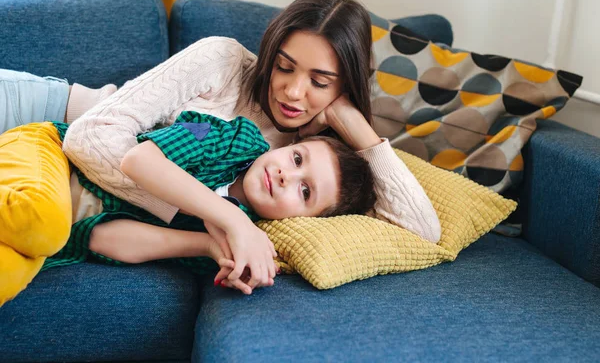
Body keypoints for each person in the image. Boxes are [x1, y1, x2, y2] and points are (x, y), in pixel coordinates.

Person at [0, 0, 441, 296]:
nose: (291, 92)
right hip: (41, 111)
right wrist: (224, 219)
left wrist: (354, 123)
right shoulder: (226, 71)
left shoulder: (316, 160)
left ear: (343, 87)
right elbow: (91, 139)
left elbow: (422, 231)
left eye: (320, 81)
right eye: (285, 67)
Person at [0, 111, 376, 303]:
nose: (285, 176)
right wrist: (229, 219)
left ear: (306, 222)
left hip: (54, 232)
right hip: (47, 154)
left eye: (305, 191)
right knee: (43, 221)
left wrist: (208, 246)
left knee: (9, 276)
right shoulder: (232, 137)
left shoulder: (236, 238)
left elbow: (99, 239)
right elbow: (139, 160)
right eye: (297, 159)